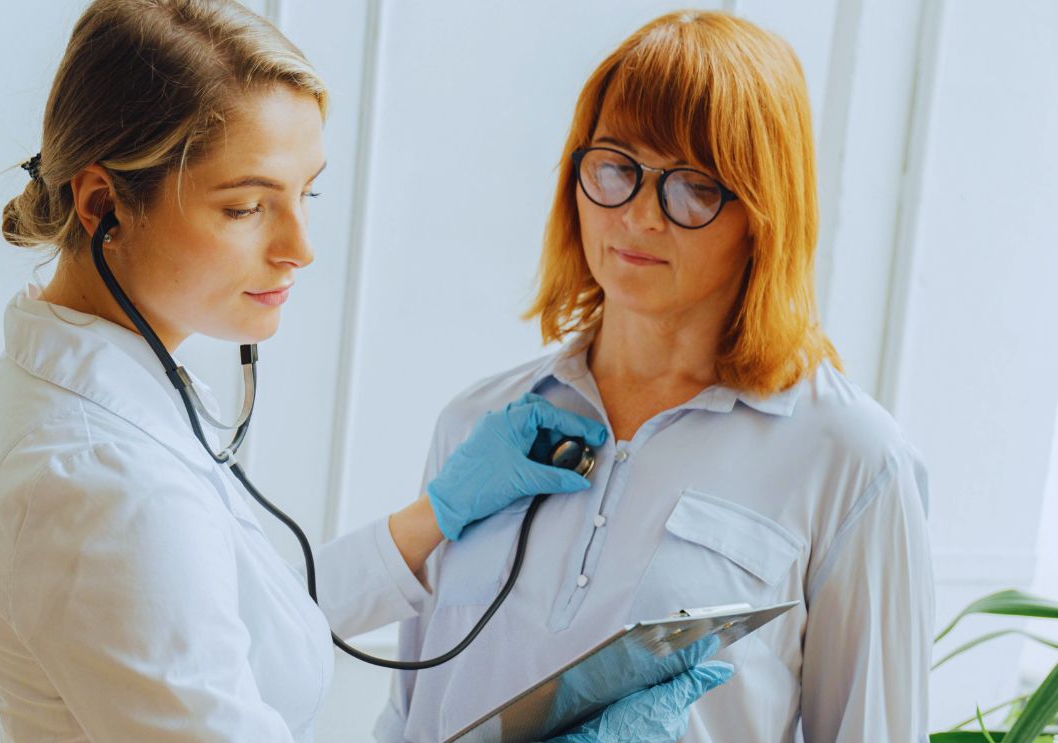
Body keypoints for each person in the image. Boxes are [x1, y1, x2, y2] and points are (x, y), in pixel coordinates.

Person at [0, 1, 728, 740]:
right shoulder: (102, 483)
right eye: (245, 207)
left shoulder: (104, 390)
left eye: (307, 193)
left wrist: (435, 516)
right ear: (103, 206)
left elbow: (226, 618)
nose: (301, 245)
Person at [377, 10, 934, 743]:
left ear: (763, 217)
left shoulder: (853, 460)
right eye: (615, 167)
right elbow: (407, 718)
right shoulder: (479, 424)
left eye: (694, 186)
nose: (639, 215)